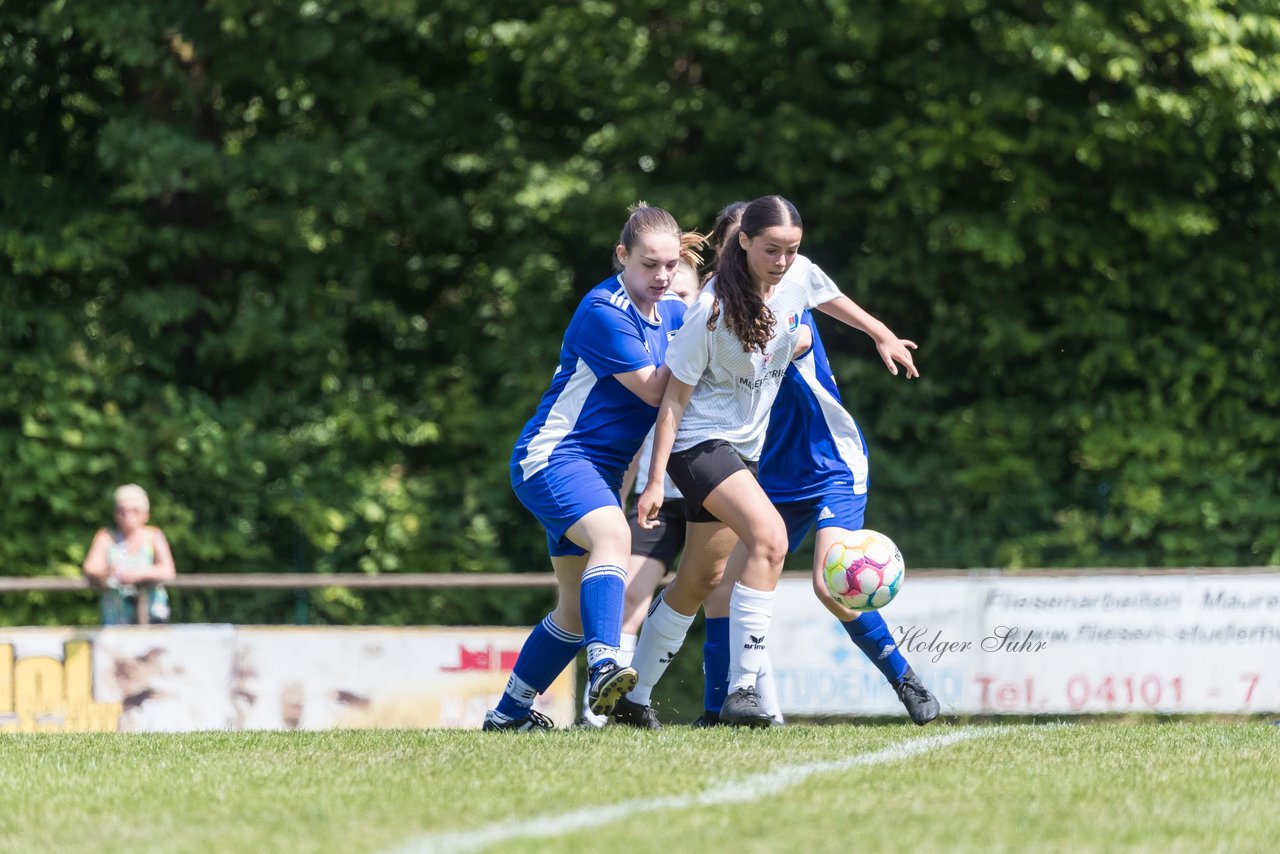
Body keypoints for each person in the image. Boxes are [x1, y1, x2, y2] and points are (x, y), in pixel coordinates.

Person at [625, 194, 919, 727]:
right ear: (743, 243)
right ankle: (743, 692)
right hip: (699, 447)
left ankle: (634, 697)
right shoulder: (709, 310)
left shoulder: (797, 275)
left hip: (742, 451)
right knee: (771, 538)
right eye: (772, 250)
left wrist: (881, 334)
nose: (783, 261)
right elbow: (672, 403)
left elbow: (833, 300)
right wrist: (651, 482)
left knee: (696, 579)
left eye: (791, 250)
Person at [485, 203, 698, 732]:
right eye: (650, 264)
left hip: (598, 472)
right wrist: (701, 342)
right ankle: (607, 662)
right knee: (613, 538)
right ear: (622, 256)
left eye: (671, 265)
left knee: (574, 613)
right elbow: (654, 388)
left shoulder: (671, 313)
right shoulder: (603, 310)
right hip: (554, 456)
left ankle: (507, 713)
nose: (663, 277)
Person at [82, 484, 176, 625]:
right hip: (116, 617)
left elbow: (168, 570)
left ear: (146, 515)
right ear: (115, 513)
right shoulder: (106, 537)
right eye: (122, 510)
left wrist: (138, 574)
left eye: (135, 510)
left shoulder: (154, 535)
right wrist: (106, 573)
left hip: (152, 616)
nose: (127, 515)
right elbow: (90, 567)